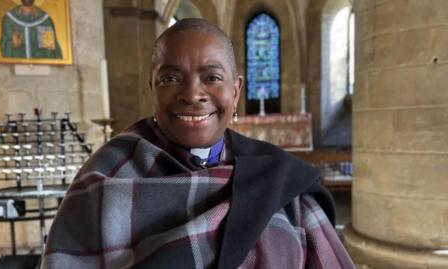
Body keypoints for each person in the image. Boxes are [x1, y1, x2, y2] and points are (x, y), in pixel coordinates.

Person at [41, 18, 355, 268]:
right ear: (153, 86)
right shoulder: (105, 179)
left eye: (212, 77)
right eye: (170, 78)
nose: (192, 94)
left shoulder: (280, 179)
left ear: (236, 91)